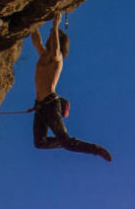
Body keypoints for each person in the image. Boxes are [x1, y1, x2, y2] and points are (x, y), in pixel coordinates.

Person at [26, 16, 112, 161]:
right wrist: (32, 24)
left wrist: (55, 25)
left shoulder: (57, 57)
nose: (49, 39)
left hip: (50, 104)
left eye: (53, 38)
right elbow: (36, 41)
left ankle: (95, 149)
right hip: (40, 105)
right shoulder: (43, 54)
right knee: (40, 143)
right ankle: (66, 141)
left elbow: (55, 47)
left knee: (68, 144)